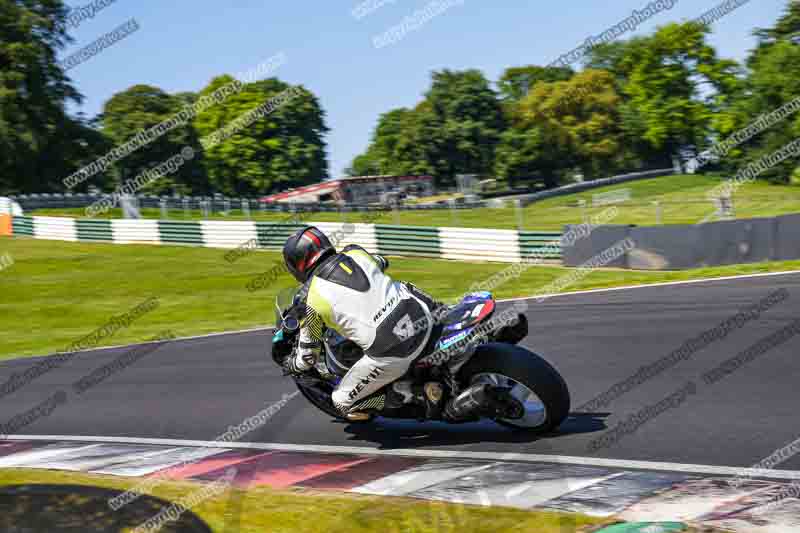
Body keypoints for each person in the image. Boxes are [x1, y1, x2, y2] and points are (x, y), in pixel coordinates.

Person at [281, 226, 449, 421]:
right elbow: (381, 262)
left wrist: (293, 363)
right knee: (401, 286)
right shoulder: (355, 251)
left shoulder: (307, 299)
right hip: (423, 315)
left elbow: (309, 357)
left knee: (342, 402)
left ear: (297, 264)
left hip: (394, 348)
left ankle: (412, 393)